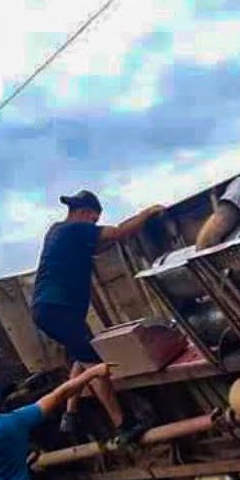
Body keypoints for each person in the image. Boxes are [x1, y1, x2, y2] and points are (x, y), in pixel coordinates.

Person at [31, 189, 165, 445]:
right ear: (83, 213)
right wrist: (146, 214)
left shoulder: (58, 231)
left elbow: (101, 244)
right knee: (96, 367)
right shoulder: (75, 229)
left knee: (83, 354)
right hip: (59, 309)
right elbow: (117, 233)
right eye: (94, 220)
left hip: (50, 309)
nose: (94, 226)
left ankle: (70, 414)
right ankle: (124, 424)